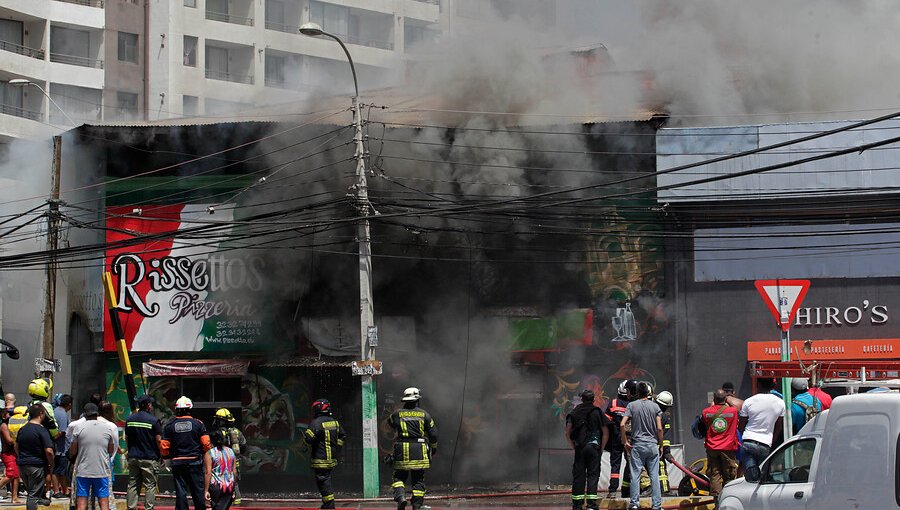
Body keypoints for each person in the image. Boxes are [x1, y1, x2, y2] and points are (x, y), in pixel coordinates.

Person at [388, 387, 438, 510]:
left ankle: (401, 498)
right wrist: (433, 448)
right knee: (418, 480)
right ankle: (416, 506)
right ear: (417, 400)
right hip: (419, 450)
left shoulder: (397, 414)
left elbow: (390, 424)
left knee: (399, 477)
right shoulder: (425, 414)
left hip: (402, 450)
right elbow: (433, 434)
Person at [161, 396, 211, 510]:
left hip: (177, 464)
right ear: (190, 408)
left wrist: (166, 458)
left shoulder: (169, 425)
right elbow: (206, 444)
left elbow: (164, 446)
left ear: (176, 409)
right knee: (197, 491)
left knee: (181, 492)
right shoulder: (198, 424)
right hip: (195, 462)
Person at [620, 382, 663, 510]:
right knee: (654, 476)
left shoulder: (632, 406)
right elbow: (659, 428)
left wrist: (625, 442)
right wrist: (660, 445)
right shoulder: (655, 407)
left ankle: (634, 504)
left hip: (637, 445)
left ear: (637, 392)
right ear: (649, 393)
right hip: (652, 445)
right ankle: (657, 505)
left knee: (635, 475)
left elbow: (622, 424)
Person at [565, 389, 609, 510]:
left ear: (582, 399)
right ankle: (591, 505)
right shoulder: (598, 412)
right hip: (594, 448)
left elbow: (567, 433)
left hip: (580, 448)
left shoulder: (574, 412)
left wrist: (574, 447)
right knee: (593, 476)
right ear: (593, 400)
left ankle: (577, 505)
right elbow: (605, 433)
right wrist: (601, 449)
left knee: (579, 476)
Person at [70, 403, 116, 510]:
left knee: (82, 502)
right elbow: (110, 450)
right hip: (101, 470)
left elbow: (73, 451)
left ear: (85, 414)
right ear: (97, 414)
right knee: (104, 502)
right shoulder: (108, 428)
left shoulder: (78, 427)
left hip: (83, 470)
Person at [738, 377, 784, 482]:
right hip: (765, 444)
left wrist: (739, 442)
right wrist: (771, 441)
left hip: (748, 442)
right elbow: (778, 427)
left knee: (751, 477)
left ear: (758, 384)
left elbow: (741, 425)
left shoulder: (748, 402)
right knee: (763, 477)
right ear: (773, 385)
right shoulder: (780, 403)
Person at [303, 399, 346, 509]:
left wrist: (304, 441)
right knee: (326, 479)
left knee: (323, 482)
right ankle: (327, 504)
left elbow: (309, 439)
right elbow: (342, 436)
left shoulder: (316, 423)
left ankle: (329, 506)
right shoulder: (334, 422)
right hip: (331, 459)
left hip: (320, 459)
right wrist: (337, 448)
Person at [125, 395, 162, 510]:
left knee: (132, 485)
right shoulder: (154, 421)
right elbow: (159, 440)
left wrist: (129, 452)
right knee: (150, 485)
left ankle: (131, 508)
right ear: (148, 406)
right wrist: (162, 456)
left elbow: (127, 438)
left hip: (133, 457)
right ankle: (148, 508)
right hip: (149, 458)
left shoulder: (130, 419)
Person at [702, 389, 740, 498]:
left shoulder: (706, 412)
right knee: (729, 476)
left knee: (714, 475)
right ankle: (729, 498)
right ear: (725, 399)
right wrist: (729, 399)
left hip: (712, 448)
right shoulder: (733, 411)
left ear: (714, 399)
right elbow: (739, 408)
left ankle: (717, 501)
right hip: (728, 448)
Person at [15, 404, 54, 510]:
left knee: (32, 492)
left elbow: (16, 446)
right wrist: (51, 463)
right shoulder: (41, 430)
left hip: (23, 465)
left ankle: (42, 500)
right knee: (33, 496)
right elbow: (49, 451)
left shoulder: (22, 429)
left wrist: (21, 458)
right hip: (36, 465)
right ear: (41, 414)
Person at [604, 379, 635, 497]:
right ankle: (632, 490)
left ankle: (612, 491)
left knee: (615, 465)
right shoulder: (633, 404)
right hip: (630, 438)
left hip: (616, 438)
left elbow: (606, 421)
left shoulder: (613, 403)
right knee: (632, 464)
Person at [211, 408, 246, 505]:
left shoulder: (217, 433)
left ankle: (221, 503)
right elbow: (243, 446)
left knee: (219, 481)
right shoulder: (237, 432)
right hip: (235, 462)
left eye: (218, 419)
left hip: (221, 463)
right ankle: (236, 503)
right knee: (234, 483)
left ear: (221, 420)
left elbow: (212, 448)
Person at [203, 430, 236, 510]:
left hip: (216, 486)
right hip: (229, 486)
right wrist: (234, 488)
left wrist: (206, 490)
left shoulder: (210, 453)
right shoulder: (231, 452)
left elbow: (208, 473)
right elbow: (234, 471)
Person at [654, 390, 675, 495]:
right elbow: (665, 436)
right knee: (661, 468)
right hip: (657, 447)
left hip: (642, 445)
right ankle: (664, 491)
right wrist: (666, 451)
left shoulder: (649, 410)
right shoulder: (664, 417)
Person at [52, 394, 72, 498]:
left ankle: (65, 491)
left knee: (62, 471)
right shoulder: (63, 415)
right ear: (69, 404)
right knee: (58, 470)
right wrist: (53, 438)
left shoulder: (55, 411)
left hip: (58, 448)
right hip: (61, 448)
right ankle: (56, 491)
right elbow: (62, 432)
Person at [0, 407, 21, 504]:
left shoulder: (12, 425)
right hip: (7, 453)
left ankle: (14, 497)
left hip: (13, 453)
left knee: (16, 475)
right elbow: (9, 441)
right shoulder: (4, 426)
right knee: (10, 474)